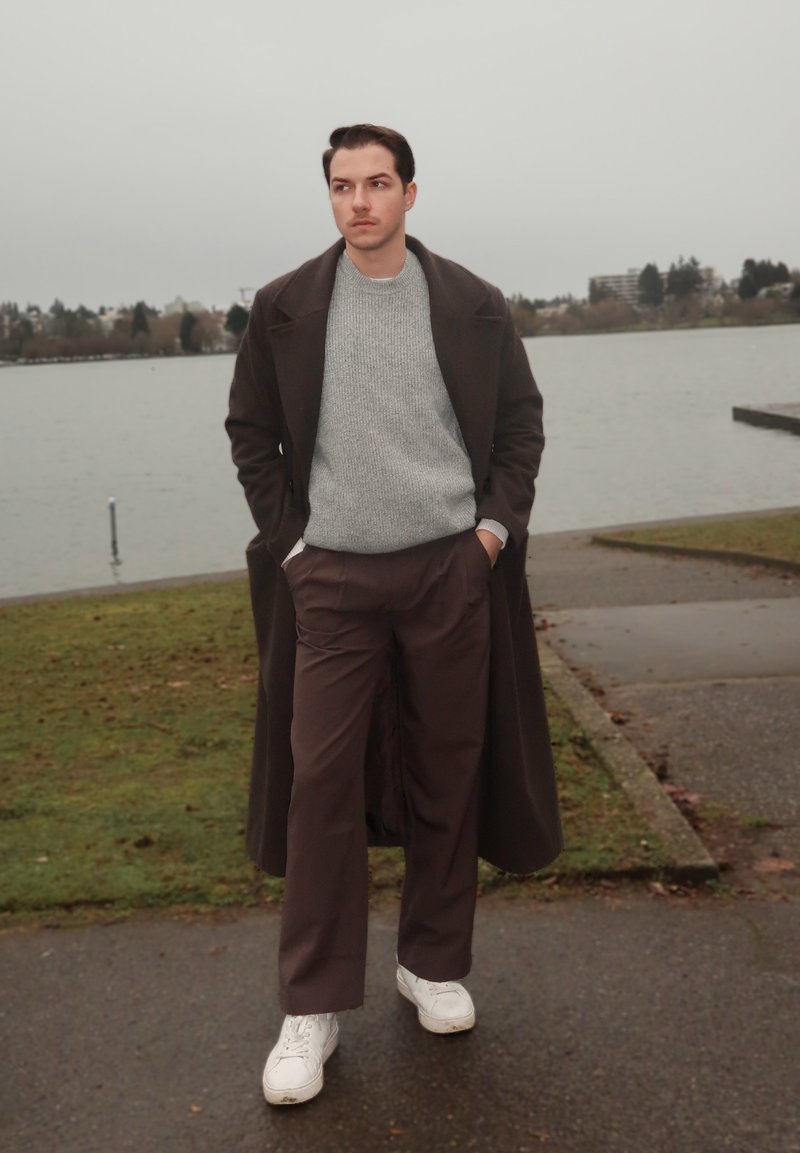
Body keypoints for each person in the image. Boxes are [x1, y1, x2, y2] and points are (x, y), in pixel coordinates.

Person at [226, 124, 561, 1106]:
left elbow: (518, 424)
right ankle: (312, 1003)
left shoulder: (469, 305)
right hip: (330, 580)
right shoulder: (285, 306)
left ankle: (431, 960)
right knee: (319, 780)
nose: (359, 201)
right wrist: (290, 542)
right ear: (328, 197)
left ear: (411, 193)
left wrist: (491, 534)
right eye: (342, 186)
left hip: (446, 575)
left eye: (377, 183)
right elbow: (250, 431)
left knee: (444, 772)